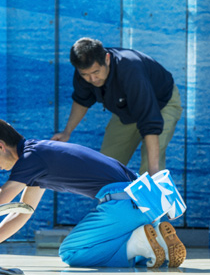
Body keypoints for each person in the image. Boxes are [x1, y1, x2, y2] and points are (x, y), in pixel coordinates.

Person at [0, 116, 186, 268]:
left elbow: (0, 199)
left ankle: (139, 245)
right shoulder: (37, 157)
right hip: (144, 202)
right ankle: (155, 243)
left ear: (0, 146)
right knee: (99, 244)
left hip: (124, 203)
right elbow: (20, 213)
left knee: (71, 252)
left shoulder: (30, 159)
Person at [52, 37, 182, 176]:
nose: (92, 79)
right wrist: (67, 132)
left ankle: (153, 192)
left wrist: (154, 172)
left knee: (149, 170)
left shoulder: (131, 70)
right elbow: (82, 100)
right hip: (126, 110)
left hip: (160, 103)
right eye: (85, 75)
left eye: (96, 72)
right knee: (104, 168)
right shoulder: (83, 72)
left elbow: (149, 121)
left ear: (107, 59)